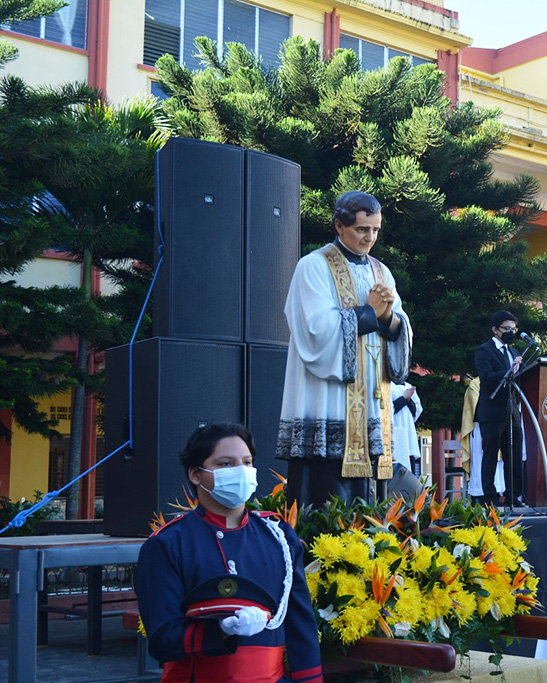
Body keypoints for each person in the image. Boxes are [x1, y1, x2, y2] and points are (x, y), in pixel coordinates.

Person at [135, 423, 322, 683]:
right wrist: (220, 631)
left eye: (247, 462)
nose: (241, 472)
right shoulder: (168, 544)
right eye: (225, 463)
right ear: (195, 474)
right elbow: (161, 639)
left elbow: (301, 627)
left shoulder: (279, 536)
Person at [276, 190, 412, 508]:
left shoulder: (382, 272)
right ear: (339, 225)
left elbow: (399, 326)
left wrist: (389, 317)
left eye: (376, 230)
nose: (370, 238)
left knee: (373, 503)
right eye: (362, 229)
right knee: (327, 499)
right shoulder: (313, 266)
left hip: (373, 404)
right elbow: (315, 330)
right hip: (329, 402)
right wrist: (368, 313)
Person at [473, 310, 527, 507]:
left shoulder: (514, 352)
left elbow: (522, 378)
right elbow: (486, 377)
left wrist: (521, 370)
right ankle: (489, 496)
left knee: (513, 455)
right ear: (495, 330)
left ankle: (514, 495)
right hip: (492, 410)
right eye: (507, 329)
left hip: (512, 410)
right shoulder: (484, 351)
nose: (511, 332)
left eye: (514, 329)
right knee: (490, 455)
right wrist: (508, 370)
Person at [387, 381, 424, 502]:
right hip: (394, 432)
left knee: (410, 475)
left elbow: (416, 412)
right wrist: (404, 398)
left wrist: (409, 399)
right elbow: (387, 410)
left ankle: (411, 503)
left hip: (408, 434)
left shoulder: (408, 386)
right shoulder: (387, 385)